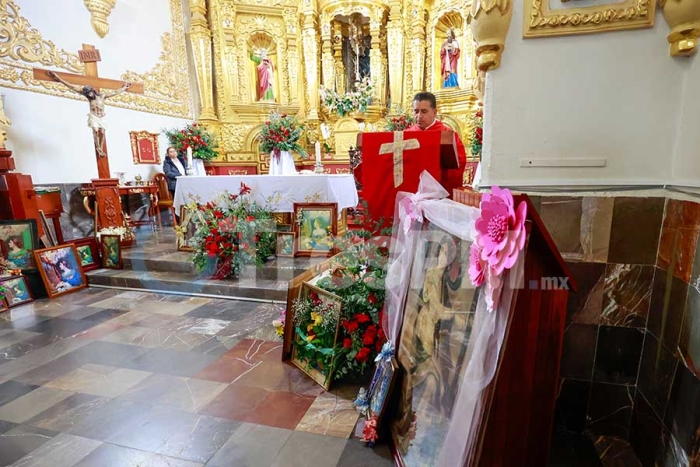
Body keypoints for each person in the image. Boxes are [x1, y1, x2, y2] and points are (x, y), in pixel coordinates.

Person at [406, 92, 467, 195]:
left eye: (424, 111)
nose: (419, 116)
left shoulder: (447, 135)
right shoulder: (406, 135)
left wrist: (439, 179)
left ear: (434, 112)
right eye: (416, 111)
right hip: (412, 190)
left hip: (439, 190)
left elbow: (459, 162)